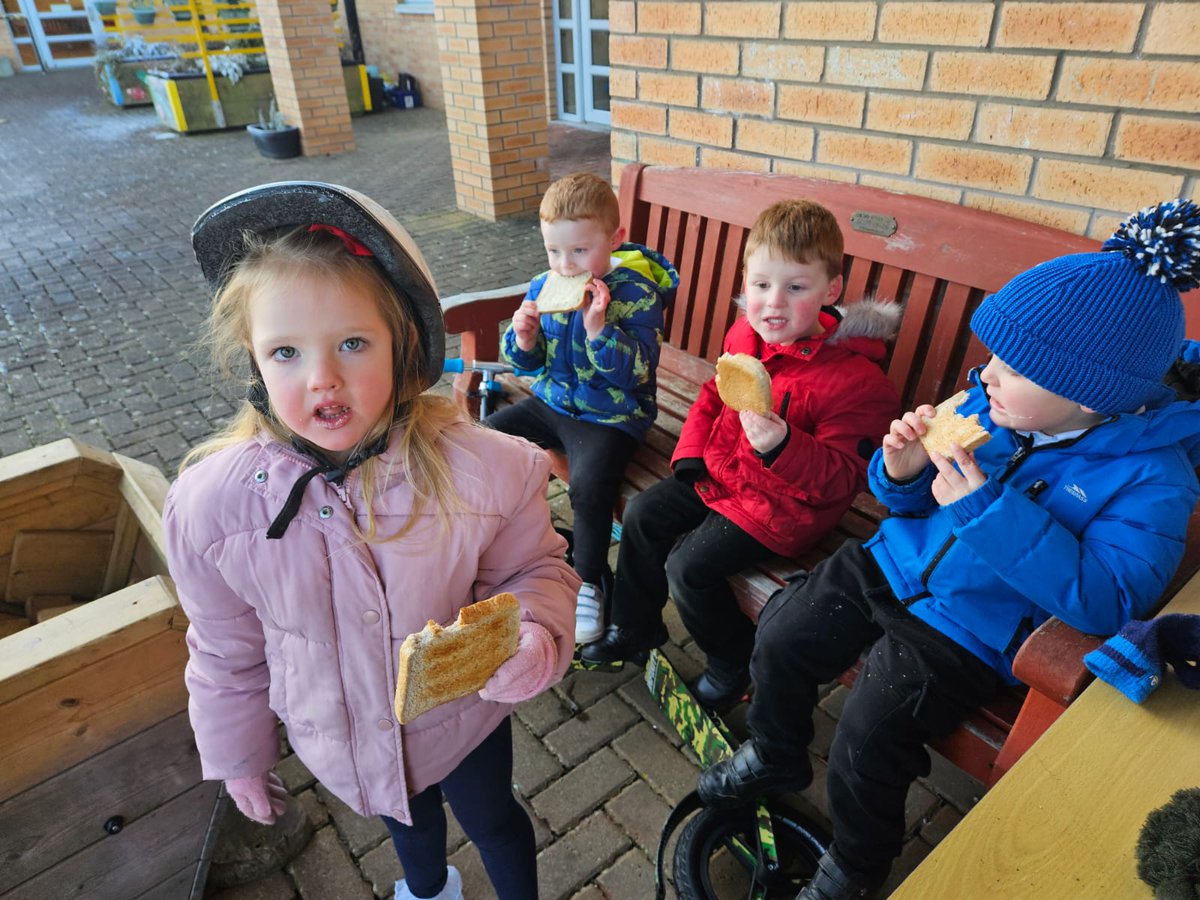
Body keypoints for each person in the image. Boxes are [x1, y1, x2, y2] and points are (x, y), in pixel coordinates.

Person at [696, 199, 1200, 900]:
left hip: (973, 628)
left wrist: (987, 510)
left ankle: (856, 866)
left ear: (1093, 396)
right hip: (892, 560)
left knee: (868, 737)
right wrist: (899, 469)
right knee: (782, 631)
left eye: (1014, 368)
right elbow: (898, 498)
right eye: (993, 354)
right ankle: (776, 753)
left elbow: (1111, 598)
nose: (986, 374)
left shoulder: (1150, 478)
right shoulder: (987, 407)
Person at [165, 182, 579, 900]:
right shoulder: (212, 509)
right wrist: (237, 755)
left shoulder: (483, 469)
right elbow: (225, 649)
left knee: (495, 821)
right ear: (252, 363)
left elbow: (536, 568)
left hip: (464, 720)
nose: (322, 377)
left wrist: (537, 631)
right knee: (409, 828)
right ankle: (426, 890)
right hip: (351, 736)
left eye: (352, 343)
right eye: (286, 351)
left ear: (404, 345)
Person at [578, 198, 901, 707]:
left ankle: (732, 660)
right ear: (745, 281)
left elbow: (844, 478)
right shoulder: (745, 334)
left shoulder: (856, 382)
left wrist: (783, 447)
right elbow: (713, 394)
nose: (774, 303)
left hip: (784, 507)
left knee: (688, 566)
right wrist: (689, 456)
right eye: (761, 285)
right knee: (642, 514)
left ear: (830, 290)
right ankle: (635, 626)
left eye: (796, 288)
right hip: (723, 473)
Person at [487, 172, 679, 644]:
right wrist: (524, 338)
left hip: (610, 417)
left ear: (613, 240)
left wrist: (598, 332)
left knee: (590, 487)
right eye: (554, 251)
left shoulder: (636, 294)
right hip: (553, 403)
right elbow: (527, 363)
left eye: (578, 251)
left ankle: (587, 581)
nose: (565, 264)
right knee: (486, 442)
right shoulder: (542, 284)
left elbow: (636, 373)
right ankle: (521, 548)